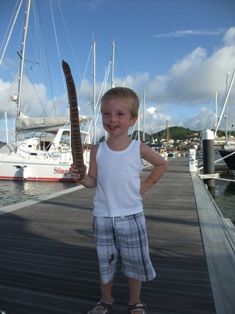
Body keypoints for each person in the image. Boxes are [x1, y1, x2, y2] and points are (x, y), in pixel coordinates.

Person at [70, 87, 168, 314]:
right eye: (106, 113)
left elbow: (162, 164)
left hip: (132, 216)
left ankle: (135, 301)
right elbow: (92, 180)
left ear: (133, 119)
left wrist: (145, 185)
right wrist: (82, 178)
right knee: (106, 262)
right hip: (103, 217)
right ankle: (106, 300)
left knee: (135, 261)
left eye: (119, 114)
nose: (112, 119)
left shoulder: (139, 148)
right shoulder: (97, 150)